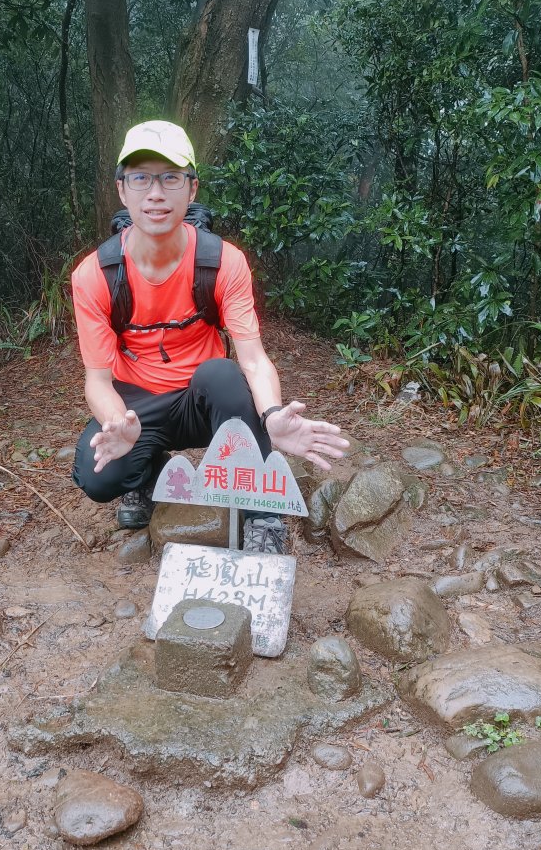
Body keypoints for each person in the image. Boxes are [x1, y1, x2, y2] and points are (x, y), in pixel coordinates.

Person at [71, 120, 349, 553]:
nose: (156, 193)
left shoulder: (221, 262)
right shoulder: (96, 276)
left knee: (222, 372)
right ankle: (147, 475)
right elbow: (98, 380)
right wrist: (118, 425)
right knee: (96, 475)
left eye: (170, 178)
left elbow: (252, 359)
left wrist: (272, 414)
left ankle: (262, 517)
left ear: (192, 188)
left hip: (202, 399)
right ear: (123, 191)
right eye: (141, 178)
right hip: (137, 406)